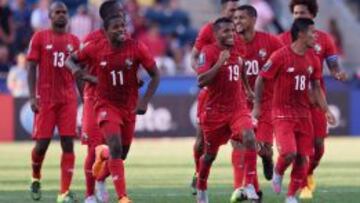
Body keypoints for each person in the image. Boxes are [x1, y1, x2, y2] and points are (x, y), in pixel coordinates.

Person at [66, 14, 160, 203]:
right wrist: (77, 72)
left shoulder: (137, 47)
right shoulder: (94, 46)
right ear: (105, 31)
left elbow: (155, 75)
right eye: (116, 27)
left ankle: (101, 175)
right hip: (104, 103)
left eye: (123, 26)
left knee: (121, 154)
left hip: (128, 105)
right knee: (112, 146)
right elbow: (71, 60)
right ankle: (121, 197)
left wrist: (144, 100)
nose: (121, 30)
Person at [253, 18, 336, 203]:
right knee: (289, 153)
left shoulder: (314, 58)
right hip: (282, 113)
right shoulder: (280, 56)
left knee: (302, 157)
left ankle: (290, 196)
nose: (316, 36)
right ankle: (278, 171)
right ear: (300, 34)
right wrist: (258, 106)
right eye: (312, 33)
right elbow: (261, 79)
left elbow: (315, 87)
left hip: (304, 114)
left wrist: (326, 110)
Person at [277, 0, 347, 199]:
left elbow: (333, 65)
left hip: (315, 100)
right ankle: (293, 187)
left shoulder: (323, 39)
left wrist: (337, 73)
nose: (299, 16)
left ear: (312, 15)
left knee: (318, 145)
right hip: (290, 103)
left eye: (303, 13)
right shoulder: (282, 39)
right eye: (296, 12)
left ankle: (308, 172)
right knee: (297, 150)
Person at [196, 17, 258, 203]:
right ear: (216, 34)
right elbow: (201, 81)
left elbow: (241, 66)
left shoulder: (236, 50)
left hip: (237, 108)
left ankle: (249, 185)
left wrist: (247, 89)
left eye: (232, 30)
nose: (231, 34)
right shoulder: (208, 52)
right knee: (209, 156)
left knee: (249, 137)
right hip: (215, 112)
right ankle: (201, 188)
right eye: (226, 31)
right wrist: (218, 63)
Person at [72, 1, 125, 202]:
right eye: (120, 12)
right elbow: (76, 66)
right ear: (108, 16)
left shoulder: (125, 39)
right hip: (94, 100)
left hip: (118, 102)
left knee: (119, 150)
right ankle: (90, 194)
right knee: (93, 148)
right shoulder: (91, 40)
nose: (123, 16)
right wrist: (84, 96)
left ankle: (101, 179)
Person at [189, 0, 244, 196]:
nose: (235, 14)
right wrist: (206, 75)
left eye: (238, 10)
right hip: (209, 93)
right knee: (201, 142)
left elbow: (241, 61)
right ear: (223, 9)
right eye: (232, 10)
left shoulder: (238, 32)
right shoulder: (208, 30)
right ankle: (198, 173)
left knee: (241, 139)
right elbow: (194, 57)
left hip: (233, 95)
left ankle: (240, 186)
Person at [27, 2, 80, 202]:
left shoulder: (74, 41)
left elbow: (80, 73)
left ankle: (63, 192)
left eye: (64, 12)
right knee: (42, 145)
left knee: (68, 143)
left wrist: (86, 99)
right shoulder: (40, 37)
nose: (61, 15)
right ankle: (35, 177)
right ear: (49, 16)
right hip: (46, 99)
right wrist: (32, 96)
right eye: (57, 12)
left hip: (68, 100)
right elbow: (31, 68)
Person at [230, 4, 283, 202]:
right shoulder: (231, 44)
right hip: (239, 105)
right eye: (235, 19)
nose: (237, 22)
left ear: (253, 19)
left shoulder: (270, 41)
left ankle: (268, 159)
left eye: (241, 18)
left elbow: (286, 60)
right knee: (240, 147)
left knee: (263, 149)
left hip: (266, 104)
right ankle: (251, 191)